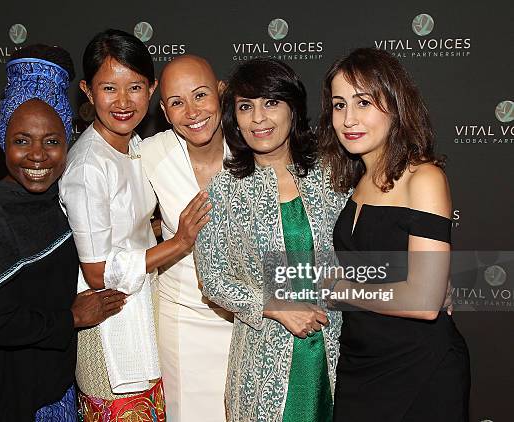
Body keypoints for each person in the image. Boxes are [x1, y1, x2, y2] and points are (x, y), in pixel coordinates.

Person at [0, 44, 127, 421]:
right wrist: (71, 318)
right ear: (3, 139)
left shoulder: (63, 199)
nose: (37, 155)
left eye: (51, 141)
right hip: (8, 395)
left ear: (67, 140)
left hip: (57, 382)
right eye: (22, 140)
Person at [58, 30, 209, 421]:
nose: (123, 102)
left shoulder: (136, 146)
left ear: (152, 89)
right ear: (88, 92)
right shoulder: (89, 166)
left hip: (141, 314)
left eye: (135, 87)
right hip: (110, 330)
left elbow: (129, 227)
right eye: (109, 88)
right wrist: (178, 242)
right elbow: (96, 271)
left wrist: (159, 230)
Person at [317, 47, 470, 421]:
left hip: (421, 367)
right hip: (360, 362)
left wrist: (341, 290)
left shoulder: (424, 178)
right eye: (339, 105)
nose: (348, 119)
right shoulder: (353, 179)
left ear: (396, 105)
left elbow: (423, 300)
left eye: (364, 102)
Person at [195, 58, 348, 422]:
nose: (258, 119)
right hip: (264, 358)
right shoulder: (224, 191)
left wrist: (425, 278)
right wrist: (275, 305)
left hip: (336, 351)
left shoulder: (332, 174)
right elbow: (213, 279)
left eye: (271, 103)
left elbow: (365, 243)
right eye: (246, 106)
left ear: (293, 108)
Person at [139, 55, 233, 422]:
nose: (191, 112)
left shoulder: (251, 150)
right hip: (183, 325)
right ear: (163, 110)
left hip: (248, 323)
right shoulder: (149, 154)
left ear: (221, 92)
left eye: (200, 95)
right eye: (177, 102)